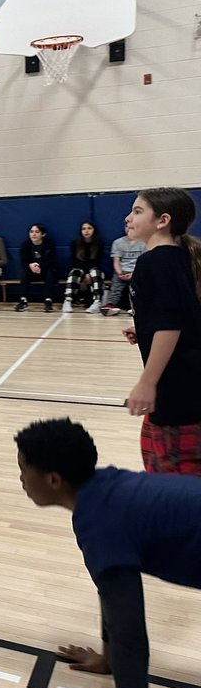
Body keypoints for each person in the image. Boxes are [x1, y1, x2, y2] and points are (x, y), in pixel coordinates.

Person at [14, 417, 201, 688]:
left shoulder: (101, 524)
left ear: (54, 479)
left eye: (23, 470)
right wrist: (107, 659)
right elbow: (111, 593)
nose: (20, 480)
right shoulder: (105, 490)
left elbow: (130, 635)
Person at [121, 188, 201, 474]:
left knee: (174, 483)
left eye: (138, 211)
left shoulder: (153, 262)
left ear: (162, 220)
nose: (128, 218)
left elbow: (170, 324)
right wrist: (143, 328)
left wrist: (147, 382)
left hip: (177, 389)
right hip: (191, 382)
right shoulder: (181, 257)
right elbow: (184, 314)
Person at [15, 223, 59, 312]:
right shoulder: (25, 245)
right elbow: (23, 262)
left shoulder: (49, 244)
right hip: (31, 271)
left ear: (43, 234)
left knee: (51, 272)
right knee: (23, 272)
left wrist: (39, 266)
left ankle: (48, 300)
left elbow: (51, 261)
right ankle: (23, 300)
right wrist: (30, 265)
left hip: (45, 270)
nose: (33, 234)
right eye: (31, 232)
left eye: (37, 232)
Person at [65, 221, 106, 314]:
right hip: (80, 271)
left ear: (94, 230)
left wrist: (88, 274)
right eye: (84, 229)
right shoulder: (75, 243)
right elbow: (75, 262)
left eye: (89, 228)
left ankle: (97, 302)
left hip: (94, 270)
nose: (86, 231)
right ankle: (68, 301)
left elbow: (97, 262)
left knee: (95, 272)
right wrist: (83, 278)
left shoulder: (99, 243)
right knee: (75, 272)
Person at [102, 233, 147, 315]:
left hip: (137, 270)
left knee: (139, 284)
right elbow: (116, 261)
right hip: (122, 271)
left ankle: (136, 307)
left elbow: (144, 261)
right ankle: (110, 305)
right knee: (116, 285)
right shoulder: (118, 242)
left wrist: (134, 273)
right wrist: (120, 273)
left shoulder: (144, 242)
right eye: (127, 227)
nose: (129, 230)